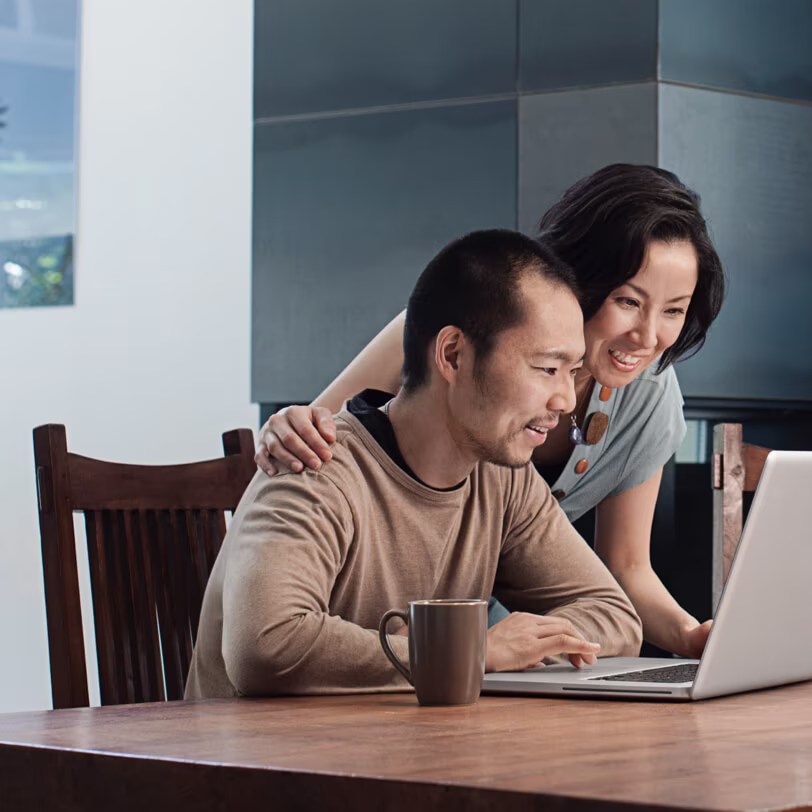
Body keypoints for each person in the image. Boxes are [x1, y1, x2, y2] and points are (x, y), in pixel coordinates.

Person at [258, 164, 725, 659]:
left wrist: (691, 637)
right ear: (576, 278)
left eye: (674, 310)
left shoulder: (644, 396)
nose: (648, 336)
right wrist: (285, 429)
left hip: (491, 638)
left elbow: (626, 569)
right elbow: (320, 439)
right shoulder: (462, 331)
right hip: (383, 632)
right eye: (628, 300)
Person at [185, 229, 642, 699]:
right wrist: (473, 652)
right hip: (259, 765)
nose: (566, 399)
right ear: (453, 355)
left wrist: (519, 645)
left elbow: (614, 616)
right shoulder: (312, 462)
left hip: (396, 755)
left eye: (572, 371)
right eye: (547, 368)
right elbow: (265, 646)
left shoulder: (503, 479)